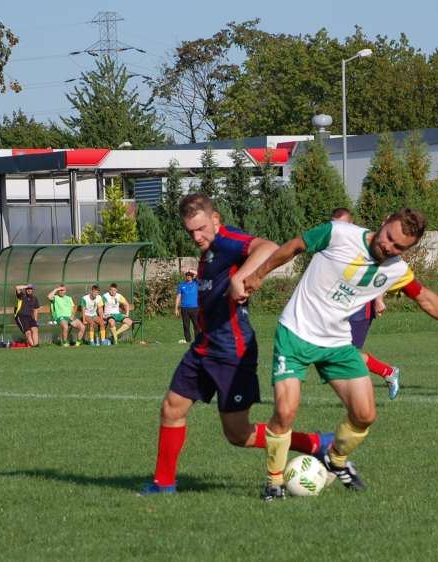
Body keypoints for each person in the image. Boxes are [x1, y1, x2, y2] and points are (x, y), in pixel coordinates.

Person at [237, 208, 438, 501]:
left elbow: (425, 297)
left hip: (337, 342)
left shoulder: (396, 270)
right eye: (389, 238)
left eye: (399, 247)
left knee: (365, 414)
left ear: (408, 249)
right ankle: (273, 482)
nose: (389, 247)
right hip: (296, 332)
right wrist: (259, 274)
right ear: (384, 220)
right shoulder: (338, 233)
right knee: (286, 411)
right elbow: (295, 245)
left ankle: (335, 460)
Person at [140, 194, 333, 496]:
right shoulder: (210, 251)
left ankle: (316, 443)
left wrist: (243, 276)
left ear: (215, 219)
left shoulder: (228, 240)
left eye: (201, 228)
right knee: (171, 409)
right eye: (190, 231)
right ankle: (163, 483)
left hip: (233, 350)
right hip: (204, 345)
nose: (197, 236)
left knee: (238, 434)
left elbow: (267, 247)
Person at [330, 207, 400, 400]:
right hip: (341, 305)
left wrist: (379, 298)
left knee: (345, 353)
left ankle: (380, 378)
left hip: (360, 307)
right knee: (339, 352)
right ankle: (385, 373)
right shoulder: (337, 243)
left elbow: (383, 272)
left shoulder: (369, 244)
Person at [175, 270, 200, 344]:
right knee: (186, 326)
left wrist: (190, 270)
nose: (188, 276)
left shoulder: (196, 283)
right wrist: (176, 308)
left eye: (190, 275)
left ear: (192, 276)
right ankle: (188, 340)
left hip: (195, 308)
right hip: (184, 308)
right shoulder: (182, 284)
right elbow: (178, 296)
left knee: (197, 325)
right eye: (187, 275)